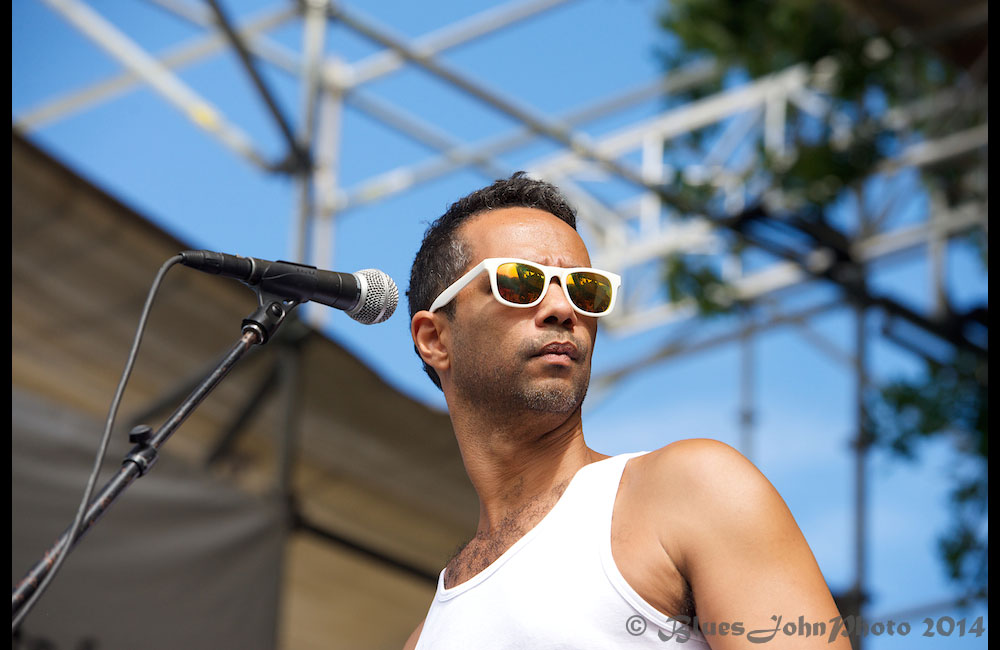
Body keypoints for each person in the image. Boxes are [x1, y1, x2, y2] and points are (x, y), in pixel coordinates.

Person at [403, 173, 848, 649]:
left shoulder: (691, 490)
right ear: (435, 339)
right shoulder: (426, 639)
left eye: (584, 290)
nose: (562, 308)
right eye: (520, 282)